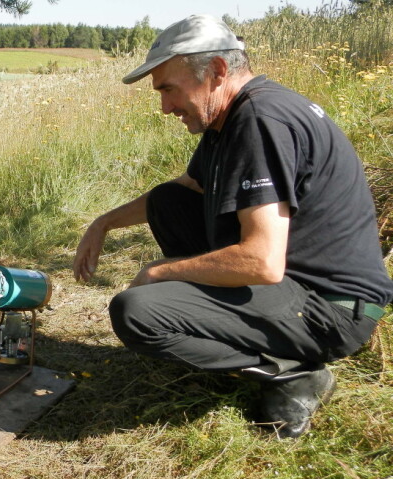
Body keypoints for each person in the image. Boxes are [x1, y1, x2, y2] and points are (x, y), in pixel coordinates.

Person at [73, 14, 393, 438]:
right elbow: (187, 186)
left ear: (218, 72)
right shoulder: (231, 117)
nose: (165, 106)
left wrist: (158, 273)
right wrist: (104, 223)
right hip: (298, 283)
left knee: (136, 312)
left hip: (330, 309)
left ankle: (292, 376)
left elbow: (262, 262)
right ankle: (236, 333)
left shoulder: (261, 121)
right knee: (169, 202)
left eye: (169, 88)